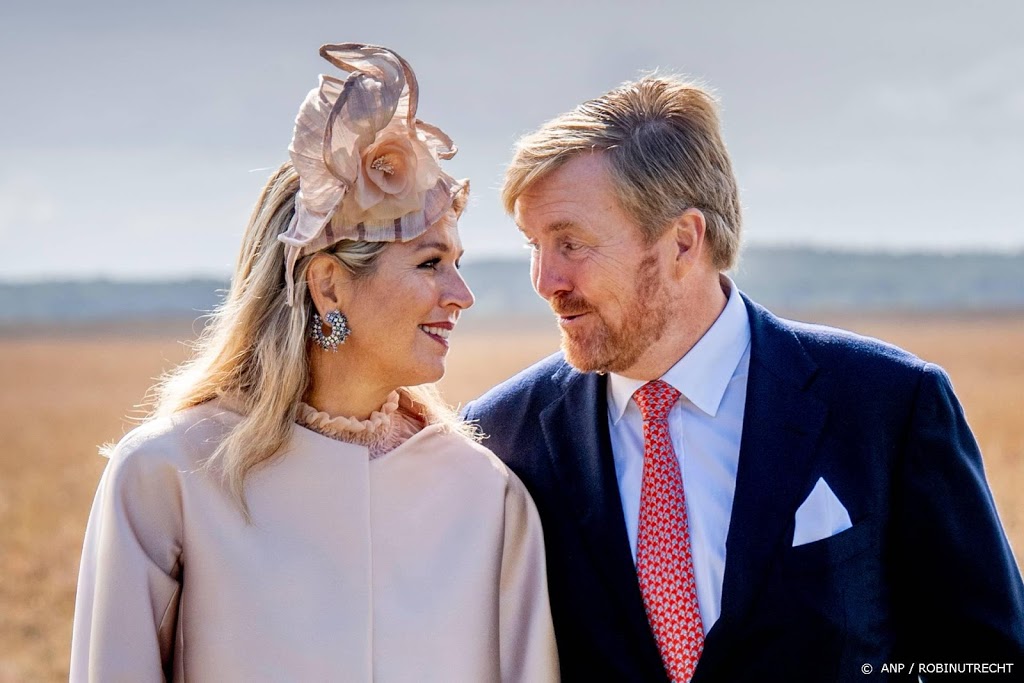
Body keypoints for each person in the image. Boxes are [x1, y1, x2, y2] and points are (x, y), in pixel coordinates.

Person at [463, 75, 1024, 681]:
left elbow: (988, 658)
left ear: (683, 241)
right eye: (534, 246)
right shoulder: (501, 438)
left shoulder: (888, 403)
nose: (545, 281)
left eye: (571, 244)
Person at [70, 43, 558, 682]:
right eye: (430, 263)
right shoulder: (167, 477)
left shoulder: (487, 495)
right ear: (327, 285)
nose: (461, 295)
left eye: (458, 263)